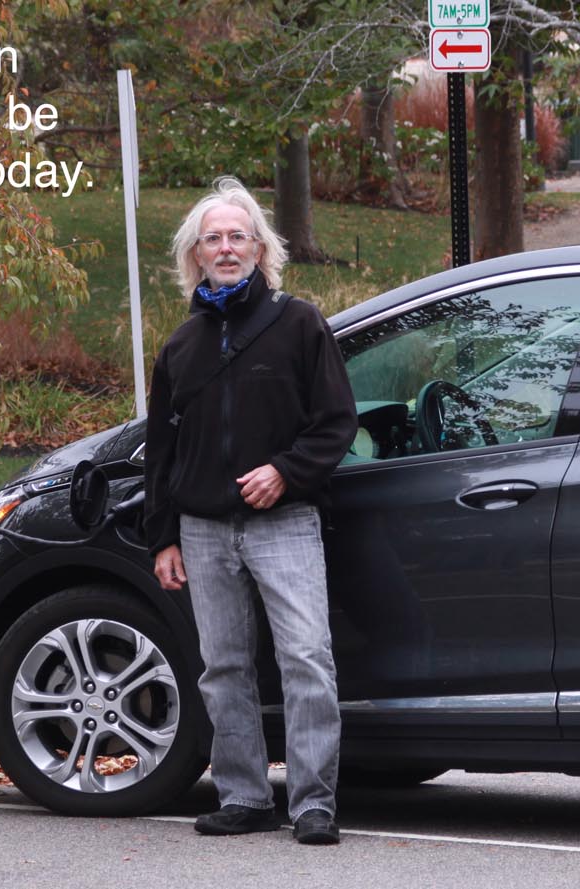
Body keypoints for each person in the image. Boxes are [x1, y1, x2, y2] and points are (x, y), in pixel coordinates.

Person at [144, 176, 357, 846]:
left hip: (284, 523)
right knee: (224, 667)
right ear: (196, 256)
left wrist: (285, 472)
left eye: (239, 236)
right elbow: (162, 453)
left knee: (306, 659)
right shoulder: (180, 348)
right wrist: (163, 537)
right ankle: (242, 795)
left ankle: (313, 801)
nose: (227, 247)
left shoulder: (299, 324)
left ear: (260, 249)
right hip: (203, 531)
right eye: (214, 239)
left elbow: (336, 422)